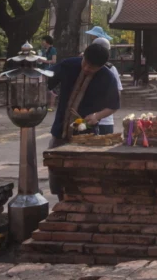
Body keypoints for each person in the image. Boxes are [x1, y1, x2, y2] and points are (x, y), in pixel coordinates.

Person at [47, 43, 120, 198]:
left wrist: (97, 116)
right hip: (61, 130)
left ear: (101, 66)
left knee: (85, 177)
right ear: (83, 56)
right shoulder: (68, 65)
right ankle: (62, 204)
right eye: (85, 63)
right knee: (57, 173)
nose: (87, 69)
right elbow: (46, 81)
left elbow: (113, 106)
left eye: (92, 68)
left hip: (87, 135)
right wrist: (46, 93)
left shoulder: (107, 77)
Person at [90, 37, 123, 135]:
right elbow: (118, 95)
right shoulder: (111, 68)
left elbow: (117, 95)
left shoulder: (110, 69)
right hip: (97, 119)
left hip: (101, 120)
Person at [42, 35, 59, 111]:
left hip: (50, 70)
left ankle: (52, 106)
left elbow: (54, 61)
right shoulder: (43, 50)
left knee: (51, 86)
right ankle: (46, 104)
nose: (42, 42)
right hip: (43, 69)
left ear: (47, 41)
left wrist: (44, 61)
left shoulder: (53, 50)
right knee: (45, 86)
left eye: (44, 40)